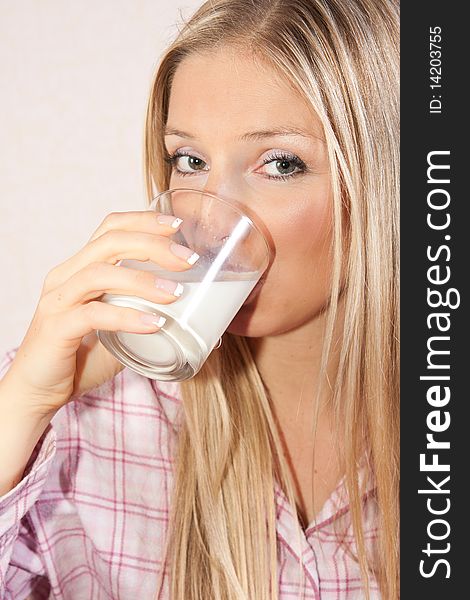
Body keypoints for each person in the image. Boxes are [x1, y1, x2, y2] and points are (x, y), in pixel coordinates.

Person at [0, 0, 399, 598]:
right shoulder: (82, 412)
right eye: (190, 160)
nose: (211, 218)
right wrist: (22, 405)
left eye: (281, 163)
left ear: (382, 182)